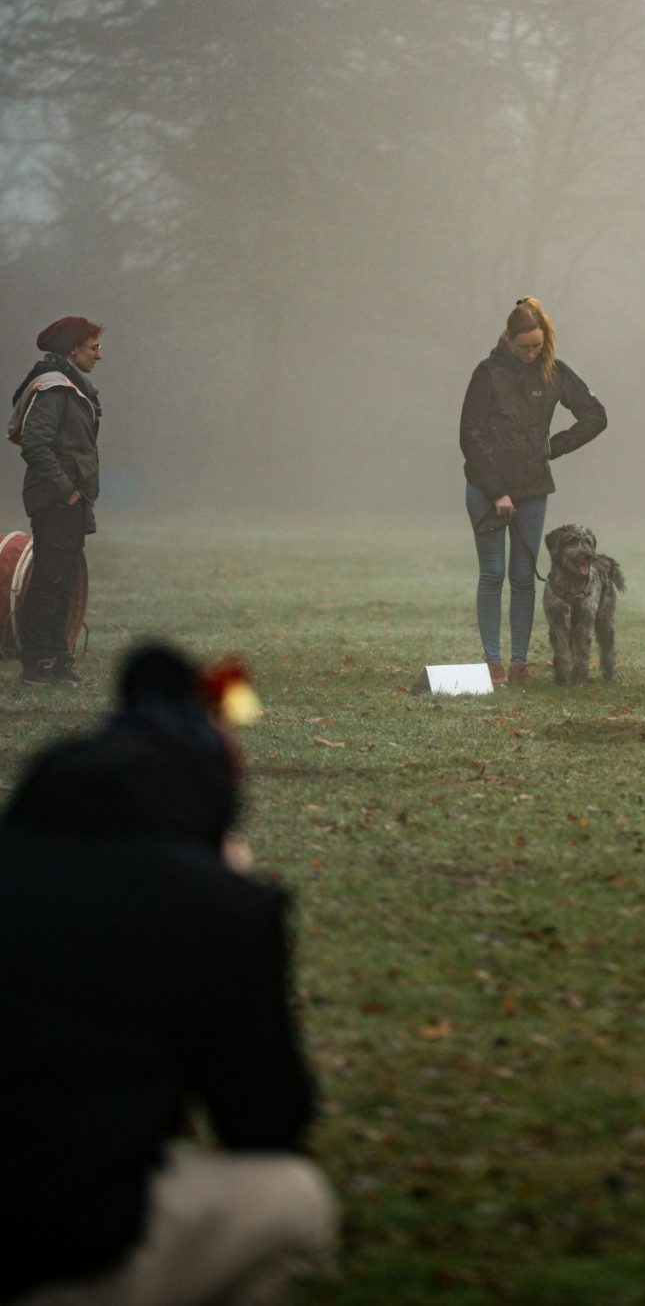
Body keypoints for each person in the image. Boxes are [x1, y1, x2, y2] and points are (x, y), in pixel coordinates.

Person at [0, 644, 337, 1306]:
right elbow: (266, 1119)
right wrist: (230, 909)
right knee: (294, 1198)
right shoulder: (214, 908)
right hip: (47, 1249)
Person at [460, 296, 607, 684]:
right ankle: (493, 662)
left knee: (524, 577)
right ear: (509, 339)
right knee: (493, 574)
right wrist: (496, 492)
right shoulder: (487, 374)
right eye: (524, 346)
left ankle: (519, 664)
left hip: (532, 488)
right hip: (486, 488)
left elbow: (595, 416)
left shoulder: (553, 372)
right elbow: (470, 437)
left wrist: (553, 447)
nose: (531, 354)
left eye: (537, 346)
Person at [7, 316, 103, 686]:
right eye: (93, 347)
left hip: (70, 501)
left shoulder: (72, 387)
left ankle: (58, 660)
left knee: (64, 582)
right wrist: (67, 491)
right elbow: (35, 445)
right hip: (56, 501)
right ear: (72, 349)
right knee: (49, 582)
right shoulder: (54, 388)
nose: (99, 355)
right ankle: (37, 664)